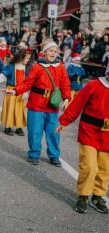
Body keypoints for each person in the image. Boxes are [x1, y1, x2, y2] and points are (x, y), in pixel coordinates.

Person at [4, 41, 71, 167]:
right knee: (35, 131)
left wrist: (67, 98)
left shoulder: (60, 67)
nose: (53, 53)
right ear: (44, 52)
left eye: (55, 51)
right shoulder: (37, 67)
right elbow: (27, 83)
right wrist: (15, 90)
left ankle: (54, 156)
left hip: (52, 106)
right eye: (50, 50)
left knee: (53, 132)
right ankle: (34, 154)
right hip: (36, 105)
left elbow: (65, 84)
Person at [57, 66, 109, 214]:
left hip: (108, 136)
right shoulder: (94, 85)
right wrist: (64, 121)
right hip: (90, 132)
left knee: (105, 168)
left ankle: (98, 196)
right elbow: (77, 104)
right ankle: (84, 195)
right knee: (90, 167)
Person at [0, 49, 31, 136]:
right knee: (10, 109)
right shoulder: (12, 66)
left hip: (21, 91)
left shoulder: (28, 68)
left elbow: (29, 81)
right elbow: (2, 76)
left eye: (28, 59)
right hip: (11, 89)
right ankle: (8, 127)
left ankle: (19, 127)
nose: (28, 61)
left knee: (20, 110)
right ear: (21, 58)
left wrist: (26, 92)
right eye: (26, 58)